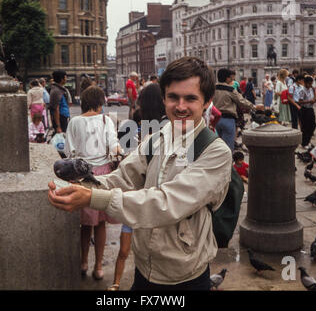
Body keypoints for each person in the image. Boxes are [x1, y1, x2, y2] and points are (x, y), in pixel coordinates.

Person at [48, 57, 232, 290]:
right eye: (173, 97)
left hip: (185, 276)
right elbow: (123, 177)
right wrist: (82, 187)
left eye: (191, 98)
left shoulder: (215, 152)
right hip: (144, 269)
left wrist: (94, 198)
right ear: (164, 98)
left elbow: (168, 202)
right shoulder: (158, 137)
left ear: (206, 102)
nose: (181, 106)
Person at [108, 83, 167, 291]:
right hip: (154, 198)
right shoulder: (169, 128)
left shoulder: (129, 126)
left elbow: (121, 160)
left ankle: (115, 283)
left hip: (132, 195)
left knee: (124, 249)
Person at [64, 86, 122, 281]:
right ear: (100, 104)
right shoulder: (107, 121)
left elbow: (69, 151)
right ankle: (98, 267)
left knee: (85, 224)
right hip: (103, 176)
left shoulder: (74, 122)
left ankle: (83, 262)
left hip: (80, 176)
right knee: (100, 224)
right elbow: (114, 148)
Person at [213, 69, 255, 151]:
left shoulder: (213, 88)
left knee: (218, 145)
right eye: (231, 78)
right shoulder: (230, 89)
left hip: (215, 120)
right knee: (228, 147)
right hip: (228, 119)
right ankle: (227, 163)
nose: (232, 80)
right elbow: (241, 101)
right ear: (227, 78)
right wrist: (253, 106)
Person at [298, 76, 316, 148]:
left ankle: (308, 141)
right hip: (304, 110)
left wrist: (315, 99)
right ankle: (304, 143)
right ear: (305, 83)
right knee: (305, 127)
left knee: (312, 126)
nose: (310, 85)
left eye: (311, 84)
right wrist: (309, 101)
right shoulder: (302, 90)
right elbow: (299, 102)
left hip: (310, 109)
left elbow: (314, 96)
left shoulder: (311, 89)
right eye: (309, 84)